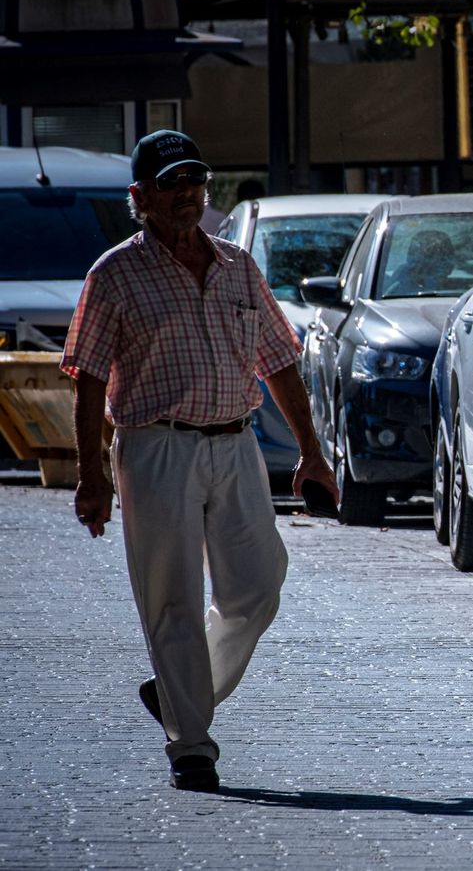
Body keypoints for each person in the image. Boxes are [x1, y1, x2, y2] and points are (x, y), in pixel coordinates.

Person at [62, 130, 339, 793]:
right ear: (140, 197)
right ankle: (191, 743)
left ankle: (183, 691)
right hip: (155, 446)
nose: (185, 194)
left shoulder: (239, 265)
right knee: (173, 599)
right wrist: (92, 474)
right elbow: (90, 377)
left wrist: (311, 452)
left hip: (235, 441)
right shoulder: (114, 274)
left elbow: (278, 360)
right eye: (170, 182)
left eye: (194, 181)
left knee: (258, 585)